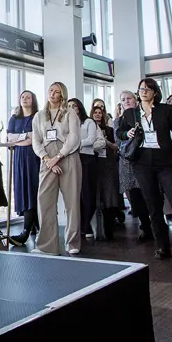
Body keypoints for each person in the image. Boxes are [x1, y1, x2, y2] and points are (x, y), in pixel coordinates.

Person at [118, 79, 172, 265]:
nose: (144, 91)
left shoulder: (165, 110)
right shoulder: (131, 113)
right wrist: (128, 134)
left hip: (166, 161)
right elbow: (120, 132)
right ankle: (162, 247)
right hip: (142, 162)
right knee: (153, 207)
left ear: (155, 92)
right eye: (141, 89)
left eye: (148, 89)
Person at [32, 82, 82, 256]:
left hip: (68, 156)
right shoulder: (39, 115)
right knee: (44, 200)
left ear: (62, 95)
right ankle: (47, 246)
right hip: (47, 158)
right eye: (51, 90)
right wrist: (47, 159)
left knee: (72, 202)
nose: (52, 93)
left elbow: (74, 137)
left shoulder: (70, 113)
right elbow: (36, 140)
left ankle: (72, 242)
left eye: (57, 91)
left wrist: (58, 157)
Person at [116, 90, 152, 242]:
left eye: (129, 98)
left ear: (136, 100)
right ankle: (146, 227)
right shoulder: (119, 120)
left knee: (149, 193)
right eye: (123, 99)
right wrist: (127, 134)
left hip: (145, 158)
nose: (126, 101)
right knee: (136, 196)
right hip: (127, 161)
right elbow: (118, 138)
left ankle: (155, 224)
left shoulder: (143, 115)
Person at [7, 91, 40, 245]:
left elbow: (35, 138)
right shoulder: (14, 118)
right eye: (22, 97)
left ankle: (27, 229)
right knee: (22, 190)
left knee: (33, 190)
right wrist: (25, 136)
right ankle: (34, 226)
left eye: (28, 97)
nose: (25, 99)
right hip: (19, 158)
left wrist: (19, 138)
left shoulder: (37, 117)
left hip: (33, 157)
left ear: (33, 100)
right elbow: (9, 138)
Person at [70, 98, 101, 241]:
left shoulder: (88, 122)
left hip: (87, 159)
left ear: (79, 108)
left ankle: (87, 223)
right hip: (72, 158)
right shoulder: (67, 123)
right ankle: (79, 224)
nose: (71, 108)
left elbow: (91, 139)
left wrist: (75, 144)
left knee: (88, 193)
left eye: (74, 106)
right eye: (69, 106)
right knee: (75, 194)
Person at [91, 103, 121, 240]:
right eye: (95, 112)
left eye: (100, 112)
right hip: (94, 164)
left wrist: (106, 142)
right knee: (96, 196)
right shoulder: (88, 129)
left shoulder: (109, 130)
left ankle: (109, 229)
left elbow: (116, 147)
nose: (98, 115)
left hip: (108, 164)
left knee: (110, 196)